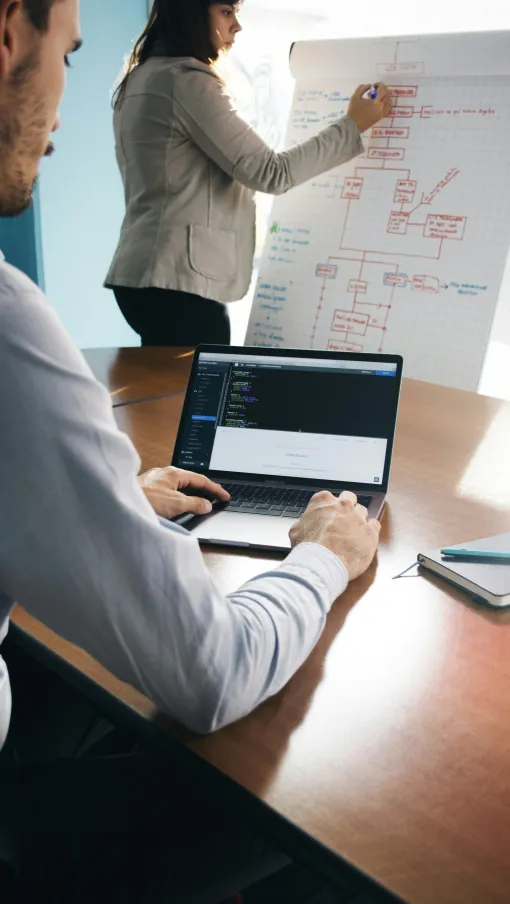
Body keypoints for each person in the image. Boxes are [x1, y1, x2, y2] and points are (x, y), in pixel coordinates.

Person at [0, 0, 381, 900]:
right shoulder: (8, 323)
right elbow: (212, 677)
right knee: (327, 797)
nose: (60, 108)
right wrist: (322, 557)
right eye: (65, 52)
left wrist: (110, 501)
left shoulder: (140, 82)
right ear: (8, 30)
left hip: (145, 274)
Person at [104, 0, 392, 347]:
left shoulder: (142, 77)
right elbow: (272, 172)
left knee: (166, 399)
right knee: (201, 399)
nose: (236, 25)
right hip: (178, 284)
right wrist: (352, 125)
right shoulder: (186, 82)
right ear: (191, 13)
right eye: (227, 11)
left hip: (144, 277)